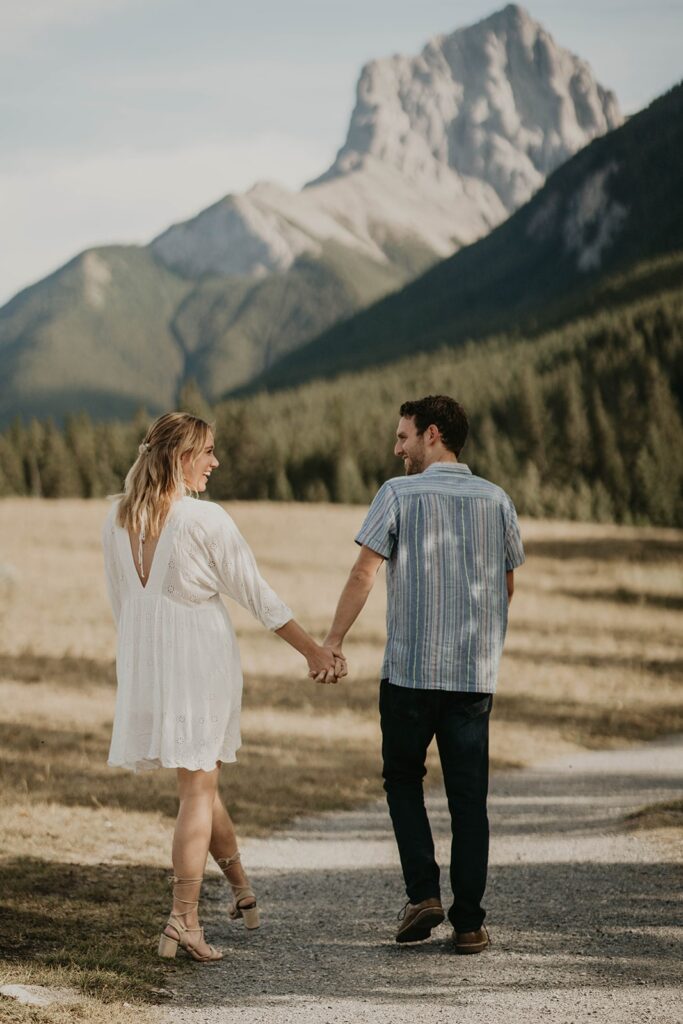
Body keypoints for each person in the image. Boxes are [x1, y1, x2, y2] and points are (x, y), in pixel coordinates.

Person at [101, 412, 345, 963]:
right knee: (197, 789)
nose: (215, 462)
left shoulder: (116, 519)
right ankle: (183, 920)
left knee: (200, 783)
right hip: (197, 665)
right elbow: (257, 596)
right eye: (207, 451)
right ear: (179, 457)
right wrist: (314, 652)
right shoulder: (204, 520)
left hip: (149, 667)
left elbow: (123, 606)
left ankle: (241, 889)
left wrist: (141, 667)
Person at [323, 395, 524, 954]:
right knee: (469, 801)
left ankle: (423, 894)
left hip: (410, 672)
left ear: (432, 434)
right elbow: (507, 586)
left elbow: (365, 571)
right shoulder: (497, 499)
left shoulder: (397, 494)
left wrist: (333, 641)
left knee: (402, 780)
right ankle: (469, 924)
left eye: (404, 437)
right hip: (471, 678)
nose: (397, 448)